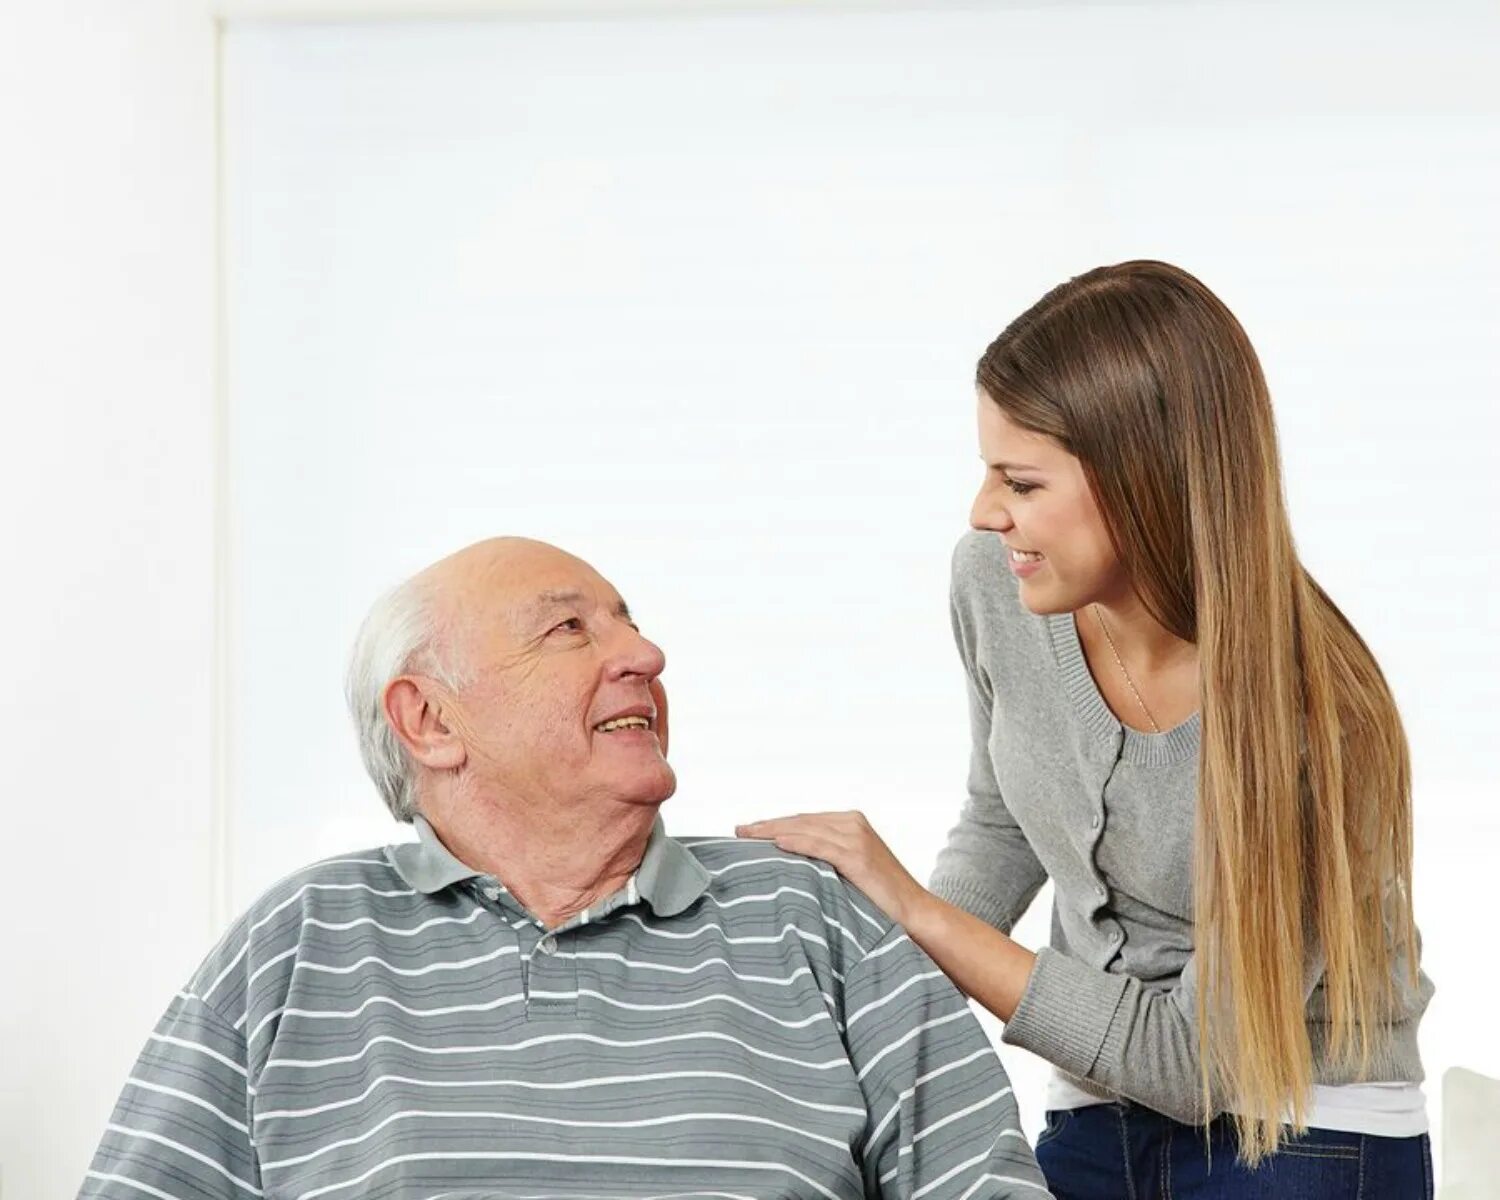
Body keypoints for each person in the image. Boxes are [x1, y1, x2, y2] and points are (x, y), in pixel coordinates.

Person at [739, 261, 1435, 1198]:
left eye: (1019, 481)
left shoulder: (1318, 718)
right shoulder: (997, 581)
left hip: (1303, 1128)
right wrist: (871, 982)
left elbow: (1198, 1068)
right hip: (1092, 1110)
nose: (986, 512)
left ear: (1143, 480)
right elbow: (1002, 822)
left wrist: (915, 909)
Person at [79, 537, 1052, 1199]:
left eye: (628, 623)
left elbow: (983, 1184)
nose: (646, 653)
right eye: (570, 630)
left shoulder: (809, 917)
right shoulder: (305, 939)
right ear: (430, 721)